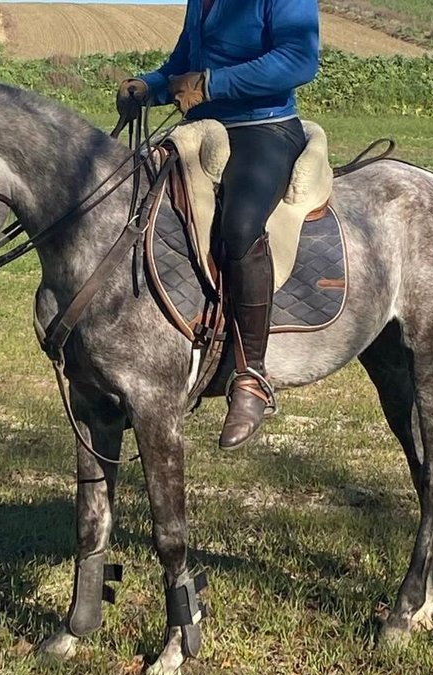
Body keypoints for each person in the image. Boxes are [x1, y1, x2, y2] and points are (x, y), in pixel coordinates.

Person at [116, 0, 321, 450]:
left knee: (241, 227)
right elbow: (183, 62)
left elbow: (299, 59)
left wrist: (212, 84)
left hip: (264, 130)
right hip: (203, 130)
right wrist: (148, 87)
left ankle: (251, 379)